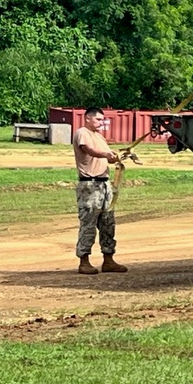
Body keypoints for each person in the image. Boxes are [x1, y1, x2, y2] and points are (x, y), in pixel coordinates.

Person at [72, 107, 127, 274]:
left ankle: (108, 259)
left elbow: (105, 158)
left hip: (104, 185)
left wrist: (116, 157)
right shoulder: (82, 133)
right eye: (98, 119)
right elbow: (88, 149)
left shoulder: (99, 137)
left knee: (108, 223)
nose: (101, 123)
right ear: (87, 118)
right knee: (88, 223)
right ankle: (84, 261)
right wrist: (105, 154)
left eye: (102, 120)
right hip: (90, 185)